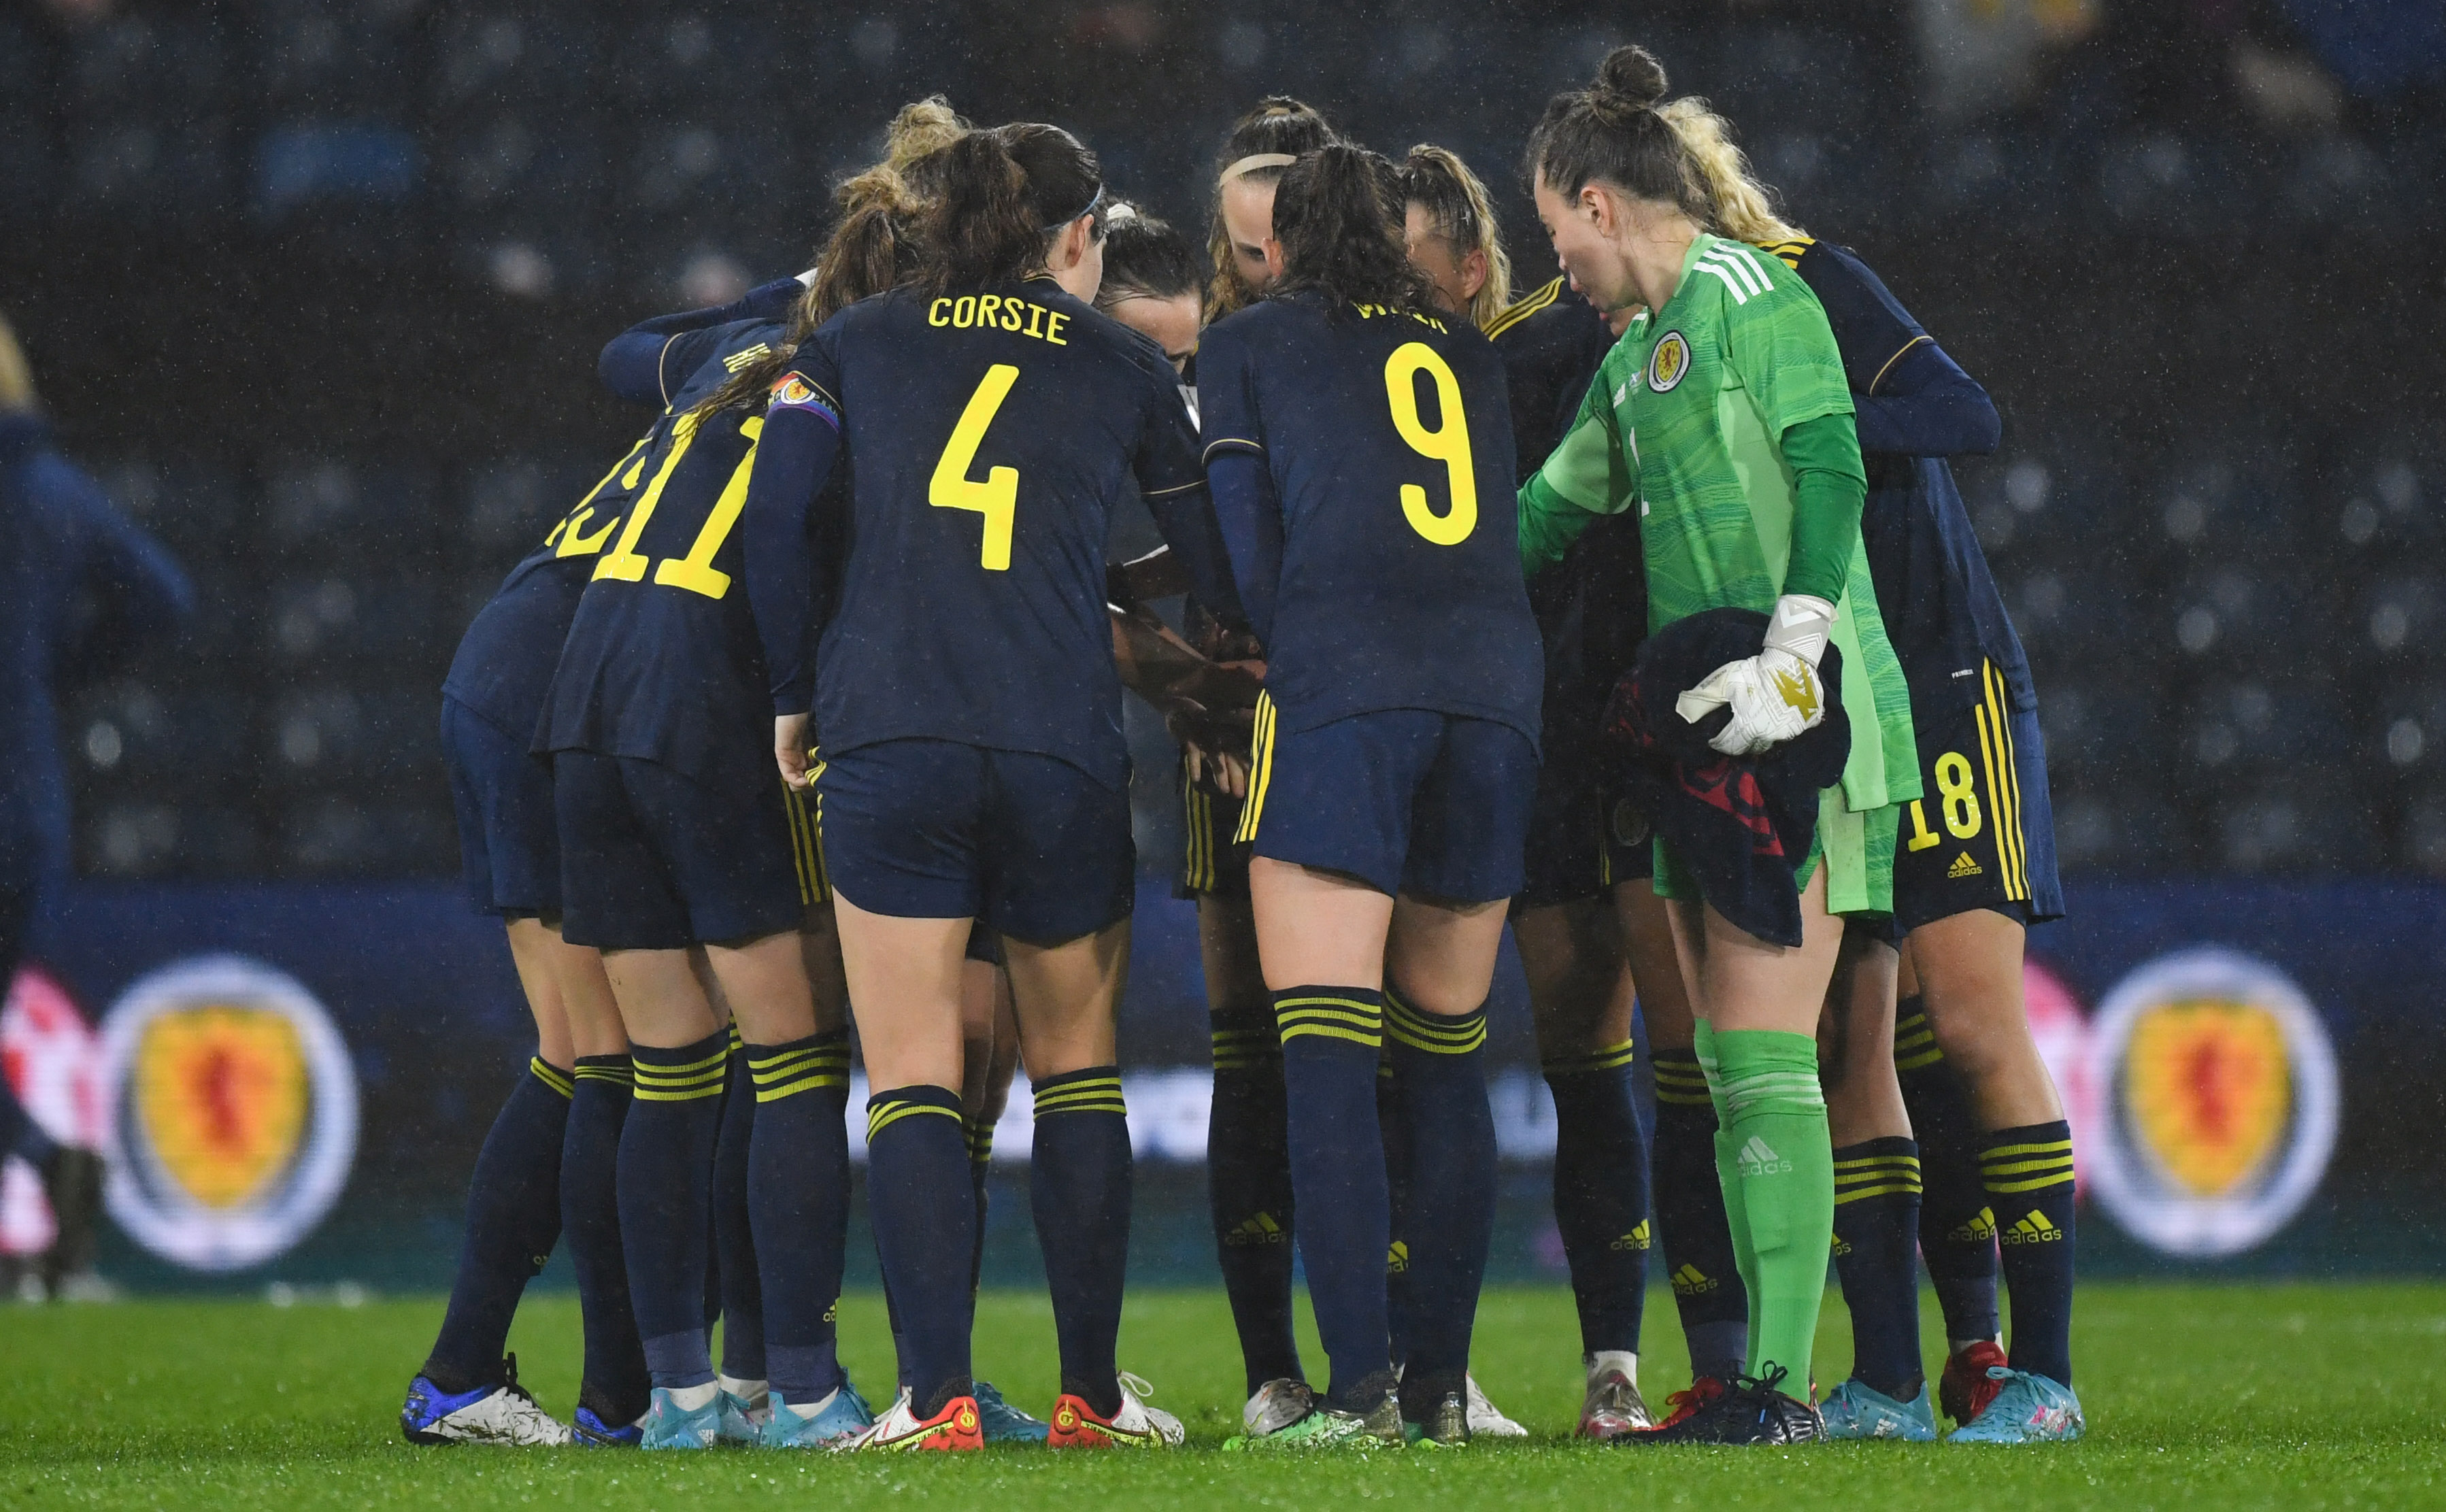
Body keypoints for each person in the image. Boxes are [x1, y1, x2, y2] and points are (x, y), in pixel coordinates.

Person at [739, 121, 1237, 1452]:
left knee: (907, 1073)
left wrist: (795, 690)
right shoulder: (1126, 363)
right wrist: (1221, 649)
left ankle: (936, 1398)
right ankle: (1090, 1393)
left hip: (891, 733)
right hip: (1058, 739)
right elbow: (1210, 551)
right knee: (1076, 1069)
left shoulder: (843, 346)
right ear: (1077, 238)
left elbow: (774, 523)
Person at [1662, 91, 2082, 1445]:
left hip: (1945, 678)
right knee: (1853, 1033)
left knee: (1965, 1021)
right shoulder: (1662, 354)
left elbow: (1963, 411)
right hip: (1828, 711)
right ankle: (1891, 1378)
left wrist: (1811, 427)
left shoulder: (1810, 284)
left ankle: (2045, 1373)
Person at [1517, 44, 1920, 1445]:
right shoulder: (1634, 360)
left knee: (1759, 1054)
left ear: (1596, 200)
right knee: (1723, 1061)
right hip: (1705, 736)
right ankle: (1773, 1381)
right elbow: (1542, 518)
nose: (1550, 257)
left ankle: (1783, 1390)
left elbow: (1832, 459)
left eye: (1552, 229)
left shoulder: (1763, 295)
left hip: (1801, 724)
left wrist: (1797, 650)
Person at [1199, 144, 1540, 1450]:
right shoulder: (1468, 350)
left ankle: (1356, 1397)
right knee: (1448, 1052)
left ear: (1278, 248)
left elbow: (1247, 546)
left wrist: (1246, 646)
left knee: (1328, 1057)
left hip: (1347, 688)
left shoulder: (1253, 344)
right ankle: (1443, 1391)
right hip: (1496, 697)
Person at [536, 250, 867, 1449]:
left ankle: (677, 1397)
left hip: (585, 702)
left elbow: (625, 347)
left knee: (666, 1068)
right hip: (701, 702)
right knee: (793, 1059)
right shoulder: (858, 379)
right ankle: (802, 1389)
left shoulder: (735, 362)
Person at [0, 314, 190, 1304]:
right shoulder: (48, 491)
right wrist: (49, 675)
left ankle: (36, 1158)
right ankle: (40, 1167)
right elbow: (162, 597)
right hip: (23, 798)